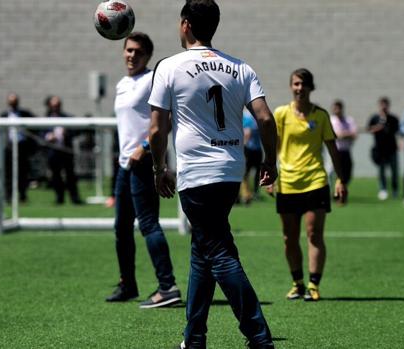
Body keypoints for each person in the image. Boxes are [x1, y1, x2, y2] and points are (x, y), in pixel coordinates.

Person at [148, 1, 277, 347]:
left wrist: (159, 167)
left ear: (186, 24)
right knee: (203, 250)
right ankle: (194, 337)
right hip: (231, 171)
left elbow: (157, 128)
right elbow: (265, 118)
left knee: (219, 253)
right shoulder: (240, 67)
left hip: (196, 173)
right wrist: (270, 161)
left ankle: (259, 336)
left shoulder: (169, 67)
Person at [104, 32, 181, 308]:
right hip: (125, 165)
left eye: (137, 51)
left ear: (147, 55)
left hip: (144, 163)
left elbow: (168, 120)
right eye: (128, 50)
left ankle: (167, 286)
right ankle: (128, 284)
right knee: (121, 229)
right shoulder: (122, 84)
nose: (131, 55)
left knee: (148, 224)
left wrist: (146, 147)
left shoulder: (152, 80)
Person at [271, 68, 347, 304]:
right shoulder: (281, 114)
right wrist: (271, 174)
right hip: (287, 183)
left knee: (314, 234)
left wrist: (341, 180)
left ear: (311, 87)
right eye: (295, 84)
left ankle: (313, 284)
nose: (299, 88)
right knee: (289, 238)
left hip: (315, 182)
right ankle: (297, 283)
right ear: (290, 87)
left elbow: (333, 150)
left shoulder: (321, 116)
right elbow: (273, 145)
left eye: (303, 84)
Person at [44, 96, 83, 205]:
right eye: (54, 105)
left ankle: (75, 198)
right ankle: (59, 198)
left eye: (58, 105)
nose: (56, 107)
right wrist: (48, 136)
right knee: (56, 176)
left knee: (70, 175)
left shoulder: (67, 117)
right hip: (53, 151)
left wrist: (67, 133)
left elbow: (77, 132)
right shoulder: (46, 118)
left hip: (66, 151)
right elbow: (41, 133)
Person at [0, 93, 36, 203]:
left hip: (22, 146)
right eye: (11, 101)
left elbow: (34, 125)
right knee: (8, 173)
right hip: (9, 146)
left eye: (15, 101)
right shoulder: (5, 114)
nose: (13, 103)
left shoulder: (25, 113)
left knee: (23, 172)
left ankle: (23, 195)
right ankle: (8, 196)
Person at [368, 97, 400, 200]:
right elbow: (369, 129)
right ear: (379, 106)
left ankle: (395, 190)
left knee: (394, 170)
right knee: (381, 170)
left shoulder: (393, 118)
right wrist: (379, 126)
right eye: (382, 105)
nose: (384, 107)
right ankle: (383, 189)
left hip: (391, 149)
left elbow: (397, 131)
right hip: (380, 149)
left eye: (385, 105)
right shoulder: (374, 118)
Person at [329, 99, 357, 187]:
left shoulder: (349, 120)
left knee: (347, 173)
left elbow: (354, 134)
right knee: (331, 172)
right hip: (334, 151)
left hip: (345, 151)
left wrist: (342, 135)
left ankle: (342, 190)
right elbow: (332, 135)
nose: (336, 110)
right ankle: (333, 191)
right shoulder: (331, 121)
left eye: (338, 108)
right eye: (334, 108)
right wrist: (343, 134)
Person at [240, 110, 262, 204]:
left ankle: (250, 193)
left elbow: (247, 133)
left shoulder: (249, 116)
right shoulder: (249, 117)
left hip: (252, 149)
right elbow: (247, 133)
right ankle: (248, 194)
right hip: (251, 149)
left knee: (250, 173)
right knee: (248, 173)